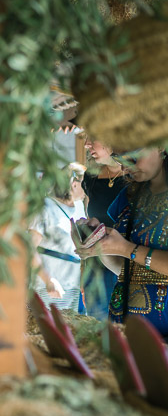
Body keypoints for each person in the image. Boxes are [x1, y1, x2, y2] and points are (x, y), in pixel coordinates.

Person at [78, 147, 168, 337]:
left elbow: (128, 252)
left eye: (133, 158)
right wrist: (100, 244)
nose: (125, 168)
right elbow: (124, 269)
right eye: (120, 159)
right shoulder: (129, 195)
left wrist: (128, 249)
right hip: (127, 329)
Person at [79, 136, 128, 318]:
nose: (86, 144)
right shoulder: (91, 177)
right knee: (96, 330)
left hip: (127, 264)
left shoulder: (139, 176)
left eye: (93, 137)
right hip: (95, 266)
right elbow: (91, 217)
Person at [28, 166, 87, 312]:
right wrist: (48, 280)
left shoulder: (79, 209)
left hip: (73, 288)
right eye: (85, 183)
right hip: (49, 287)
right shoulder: (45, 208)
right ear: (74, 184)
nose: (88, 188)